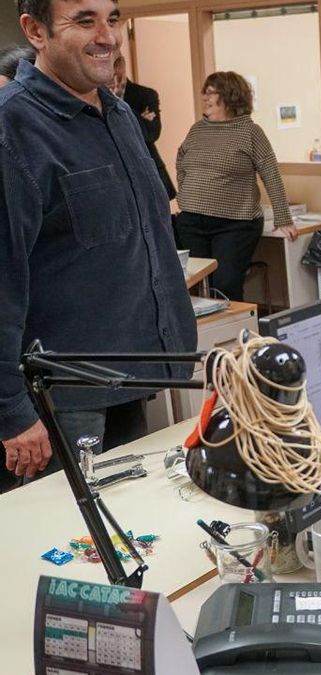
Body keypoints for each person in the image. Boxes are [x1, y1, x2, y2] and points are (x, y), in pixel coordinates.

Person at [1, 0, 197, 486]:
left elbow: (146, 242)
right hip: (58, 404)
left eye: (113, 19)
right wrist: (11, 411)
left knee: (132, 538)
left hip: (131, 379)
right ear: (36, 31)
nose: (107, 36)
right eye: (84, 21)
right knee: (60, 550)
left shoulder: (119, 115)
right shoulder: (12, 129)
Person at [175, 71, 297, 302]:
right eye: (205, 92)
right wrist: (188, 194)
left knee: (225, 284)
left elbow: (270, 173)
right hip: (191, 221)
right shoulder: (197, 130)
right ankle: (205, 337)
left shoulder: (250, 132)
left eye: (212, 93)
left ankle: (232, 336)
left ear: (230, 96)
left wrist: (283, 218)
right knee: (197, 286)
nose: (205, 98)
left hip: (234, 224)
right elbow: (181, 161)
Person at [109, 54, 175, 199]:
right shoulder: (94, 99)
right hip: (117, 177)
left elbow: (151, 133)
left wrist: (118, 103)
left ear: (121, 70)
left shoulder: (145, 95)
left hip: (148, 173)